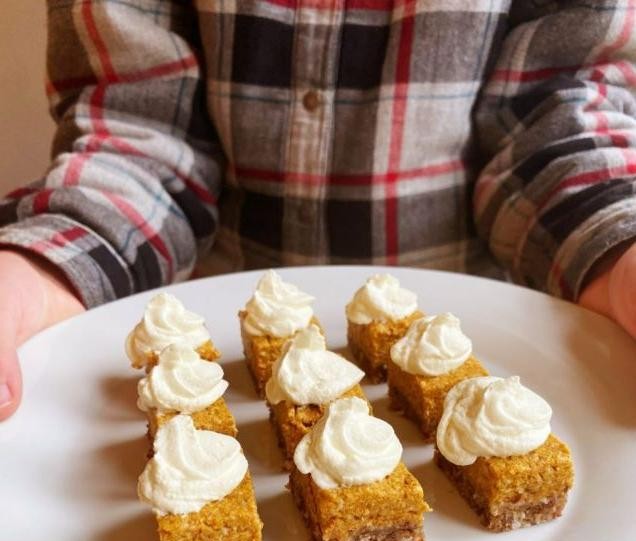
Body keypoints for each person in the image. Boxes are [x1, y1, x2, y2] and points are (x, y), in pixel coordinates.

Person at [1, 0, 635, 422]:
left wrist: (620, 244)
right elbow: (140, 136)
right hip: (209, 335)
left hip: (488, 334)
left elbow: (553, 122)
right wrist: (31, 274)